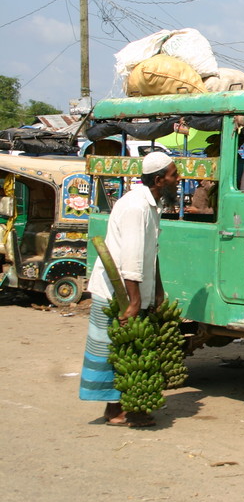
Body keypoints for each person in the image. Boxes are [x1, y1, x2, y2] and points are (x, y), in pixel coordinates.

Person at [80, 152, 179, 428]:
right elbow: (132, 259)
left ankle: (121, 409)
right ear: (159, 180)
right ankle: (117, 411)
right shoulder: (136, 207)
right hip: (118, 292)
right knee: (116, 352)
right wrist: (133, 303)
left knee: (129, 351)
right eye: (173, 175)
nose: (178, 180)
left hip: (134, 289)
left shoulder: (151, 205)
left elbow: (152, 253)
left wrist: (158, 291)